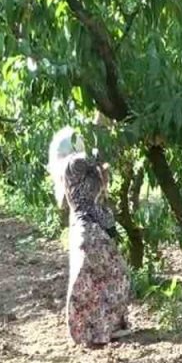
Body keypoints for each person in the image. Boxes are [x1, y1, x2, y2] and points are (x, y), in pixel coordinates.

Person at [47, 127, 132, 347]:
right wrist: (101, 128)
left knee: (93, 280)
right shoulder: (74, 164)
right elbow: (96, 157)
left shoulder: (70, 169)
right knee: (113, 275)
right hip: (91, 229)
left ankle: (95, 330)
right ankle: (101, 329)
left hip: (83, 230)